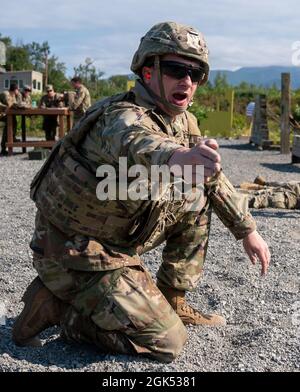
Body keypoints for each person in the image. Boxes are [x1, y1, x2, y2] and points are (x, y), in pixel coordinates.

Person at [12, 22, 270, 363]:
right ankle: (58, 307)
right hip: (76, 250)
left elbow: (210, 176)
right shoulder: (119, 116)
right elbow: (138, 141)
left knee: (195, 198)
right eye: (177, 69)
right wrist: (179, 157)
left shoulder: (181, 120)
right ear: (148, 72)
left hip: (118, 237)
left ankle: (173, 298)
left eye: (196, 74)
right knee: (168, 343)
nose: (188, 82)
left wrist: (247, 230)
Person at [0, 83, 21, 156]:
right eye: (17, 89)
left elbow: (17, 104)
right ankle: (4, 147)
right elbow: (10, 104)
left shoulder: (13, 95)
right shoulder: (6, 94)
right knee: (10, 125)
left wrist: (18, 96)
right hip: (2, 114)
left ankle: (12, 137)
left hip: (6, 114)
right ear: (15, 90)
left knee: (13, 122)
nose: (18, 91)